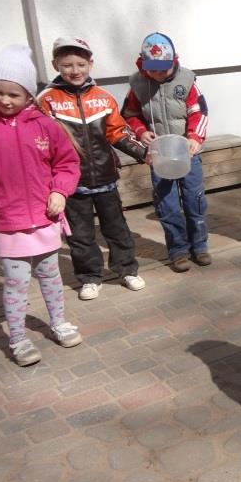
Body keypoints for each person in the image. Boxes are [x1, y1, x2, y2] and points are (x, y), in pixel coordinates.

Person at [0, 45, 83, 366]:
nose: (5, 100)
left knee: (51, 277)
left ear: (29, 95)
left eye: (13, 94)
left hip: (44, 218)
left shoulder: (46, 126)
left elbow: (67, 164)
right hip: (7, 222)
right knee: (16, 284)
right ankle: (17, 338)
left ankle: (58, 322)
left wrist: (60, 192)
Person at [37, 37, 149, 299]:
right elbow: (40, 143)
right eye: (67, 65)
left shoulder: (103, 97)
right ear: (55, 65)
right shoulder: (46, 100)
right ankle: (89, 277)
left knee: (117, 228)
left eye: (81, 64)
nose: (75, 71)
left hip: (106, 178)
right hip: (70, 184)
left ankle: (127, 269)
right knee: (80, 234)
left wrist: (144, 153)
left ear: (91, 64)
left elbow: (118, 132)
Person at [122, 32, 212, 272]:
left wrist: (195, 137)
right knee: (167, 204)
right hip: (160, 156)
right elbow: (129, 115)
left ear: (174, 61)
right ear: (143, 64)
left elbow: (200, 112)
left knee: (194, 200)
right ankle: (178, 250)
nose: (159, 74)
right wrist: (141, 132)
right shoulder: (138, 85)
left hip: (188, 153)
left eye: (164, 69)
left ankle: (200, 246)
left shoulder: (187, 81)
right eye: (153, 70)